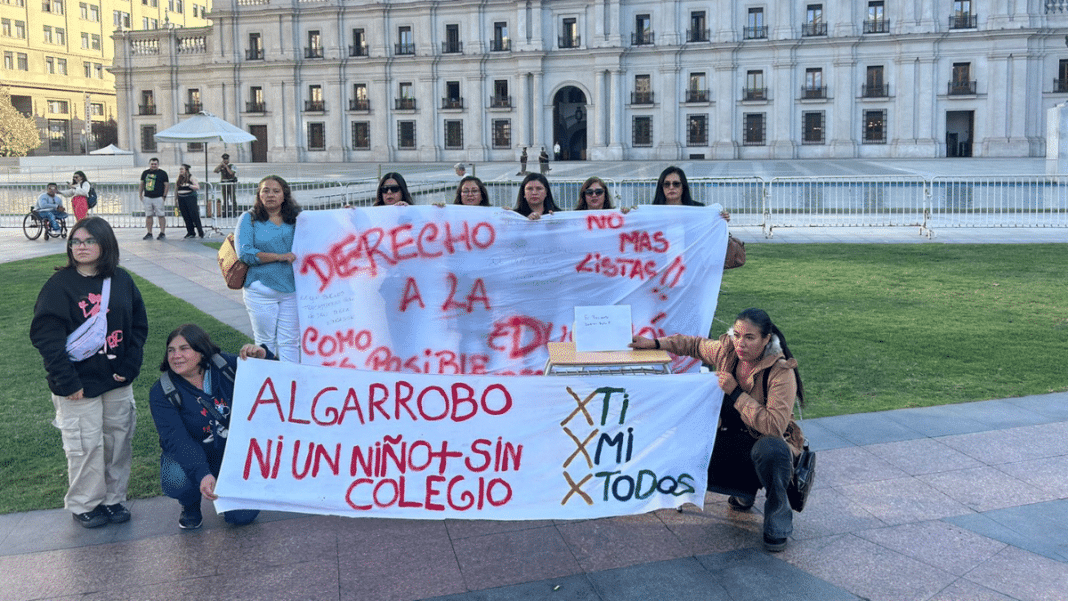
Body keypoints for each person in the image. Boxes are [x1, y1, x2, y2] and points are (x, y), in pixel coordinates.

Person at [630, 308, 806, 552]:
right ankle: (744, 490)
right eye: (736, 335)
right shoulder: (728, 351)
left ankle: (778, 516)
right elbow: (693, 345)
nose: (740, 343)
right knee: (686, 430)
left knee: (772, 450)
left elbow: (774, 426)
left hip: (763, 441)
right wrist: (656, 343)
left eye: (749, 338)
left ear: (766, 339)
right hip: (730, 436)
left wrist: (735, 392)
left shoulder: (781, 372)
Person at [30, 216, 148, 528]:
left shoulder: (122, 280)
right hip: (77, 383)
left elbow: (138, 327)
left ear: (105, 244)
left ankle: (113, 499)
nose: (81, 247)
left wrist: (130, 366)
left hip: (117, 380)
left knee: (117, 442)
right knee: (85, 446)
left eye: (89, 241)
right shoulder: (59, 286)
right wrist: (66, 380)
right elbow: (46, 337)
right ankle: (86, 503)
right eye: (76, 241)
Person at [149, 324, 269, 529]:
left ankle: (226, 491)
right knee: (176, 479)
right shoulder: (162, 391)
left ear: (201, 351)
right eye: (171, 350)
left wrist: (263, 356)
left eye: (184, 349)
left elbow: (277, 378)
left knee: (243, 517)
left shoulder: (226, 366)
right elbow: (176, 439)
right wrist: (202, 472)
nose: (175, 356)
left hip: (231, 455)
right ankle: (190, 504)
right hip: (190, 454)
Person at [237, 175, 301, 362]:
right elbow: (245, 253)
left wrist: (346, 213)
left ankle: (291, 383)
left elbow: (323, 230)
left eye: (276, 191)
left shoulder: (297, 218)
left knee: (290, 342)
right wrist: (280, 257)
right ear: (259, 195)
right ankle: (267, 384)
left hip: (291, 290)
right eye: (265, 190)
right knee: (265, 343)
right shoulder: (249, 219)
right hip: (261, 290)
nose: (270, 195)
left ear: (284, 195)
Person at [138, 157, 169, 240]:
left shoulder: (163, 173)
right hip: (148, 197)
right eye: (152, 164)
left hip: (158, 197)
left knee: (161, 215)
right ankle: (149, 232)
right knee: (148, 215)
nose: (153, 165)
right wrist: (140, 195)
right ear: (149, 164)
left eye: (155, 164)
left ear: (158, 165)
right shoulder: (145, 173)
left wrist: (164, 196)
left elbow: (166, 185)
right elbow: (142, 184)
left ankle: (162, 232)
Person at [175, 164, 204, 239]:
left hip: (190, 198)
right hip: (181, 198)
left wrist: (189, 185)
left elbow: (197, 186)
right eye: (180, 169)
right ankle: (190, 232)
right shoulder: (179, 178)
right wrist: (176, 199)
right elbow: (176, 188)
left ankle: (200, 232)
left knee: (194, 215)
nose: (181, 171)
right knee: (186, 215)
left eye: (182, 169)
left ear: (186, 170)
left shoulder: (191, 177)